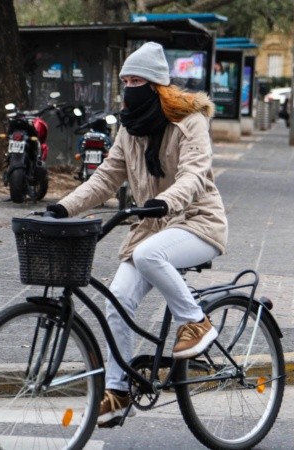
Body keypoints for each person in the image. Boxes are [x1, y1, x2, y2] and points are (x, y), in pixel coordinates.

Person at [45, 41, 228, 428]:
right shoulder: (129, 130)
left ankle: (196, 322)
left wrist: (166, 201)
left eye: (136, 80)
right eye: (125, 80)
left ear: (157, 86)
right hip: (151, 227)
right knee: (117, 299)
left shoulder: (190, 122)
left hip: (197, 222)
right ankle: (118, 391)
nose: (129, 87)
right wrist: (63, 207)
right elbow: (105, 179)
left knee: (148, 255)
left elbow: (195, 175)